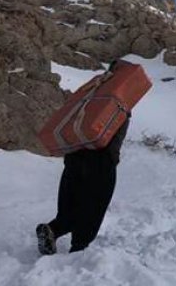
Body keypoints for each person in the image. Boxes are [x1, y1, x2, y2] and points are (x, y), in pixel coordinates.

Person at [36, 61, 131, 255]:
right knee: (94, 206)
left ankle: (53, 229)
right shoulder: (118, 102)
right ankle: (79, 249)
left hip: (74, 155)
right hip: (101, 161)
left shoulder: (89, 94)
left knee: (70, 203)